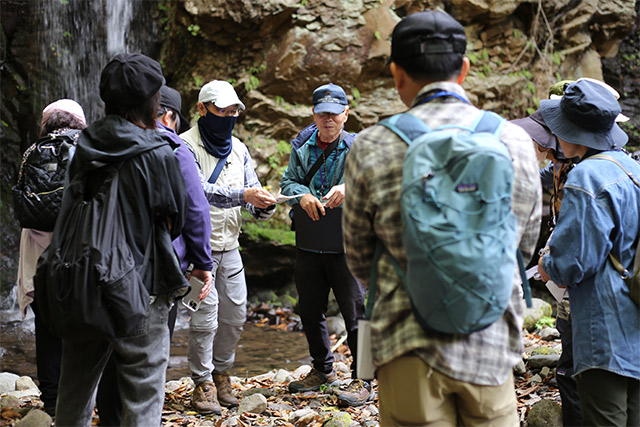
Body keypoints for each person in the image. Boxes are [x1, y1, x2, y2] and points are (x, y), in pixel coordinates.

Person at [342, 10, 542, 425]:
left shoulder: (372, 145)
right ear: (464, 69)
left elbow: (359, 257)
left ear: (397, 74)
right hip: (489, 336)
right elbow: (521, 245)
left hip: (407, 342)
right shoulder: (513, 141)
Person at [53, 53, 188, 426]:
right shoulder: (158, 151)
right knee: (143, 392)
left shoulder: (84, 145)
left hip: (83, 283)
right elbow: (174, 218)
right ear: (152, 102)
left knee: (74, 391)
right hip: (139, 288)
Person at [95, 84, 215, 426]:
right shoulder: (174, 149)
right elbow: (196, 211)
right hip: (156, 274)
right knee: (148, 364)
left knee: (107, 355)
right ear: (168, 115)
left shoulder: (97, 144)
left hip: (103, 268)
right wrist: (202, 264)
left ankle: (111, 420)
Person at [537, 79, 640, 426]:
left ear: (572, 130)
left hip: (604, 327)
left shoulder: (587, 177)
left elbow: (574, 262)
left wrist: (546, 263)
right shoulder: (633, 170)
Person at [180, 80, 277, 414]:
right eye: (222, 110)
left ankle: (223, 373)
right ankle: (202, 382)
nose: (228, 116)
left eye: (233, 110)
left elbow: (251, 193)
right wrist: (244, 196)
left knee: (235, 316)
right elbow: (198, 192)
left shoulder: (239, 149)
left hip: (230, 247)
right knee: (204, 319)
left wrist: (263, 206)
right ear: (202, 109)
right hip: (196, 253)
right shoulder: (183, 146)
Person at [279, 83, 371, 406]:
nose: (328, 119)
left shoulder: (358, 147)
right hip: (310, 241)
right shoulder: (302, 146)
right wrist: (302, 195)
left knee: (356, 311)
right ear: (314, 115)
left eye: (334, 113)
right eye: (322, 114)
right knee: (308, 308)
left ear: (346, 114)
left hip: (349, 243)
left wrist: (348, 188)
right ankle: (322, 369)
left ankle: (364, 379)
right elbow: (287, 181)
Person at [16, 99, 87, 417]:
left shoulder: (32, 151)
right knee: (84, 324)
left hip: (38, 254)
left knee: (46, 328)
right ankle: (83, 396)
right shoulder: (89, 149)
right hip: (77, 252)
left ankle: (52, 399)